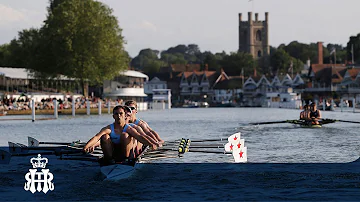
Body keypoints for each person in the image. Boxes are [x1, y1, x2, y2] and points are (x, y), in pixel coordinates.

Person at [83, 105, 157, 164]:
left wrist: (151, 144)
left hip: (125, 154)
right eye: (116, 114)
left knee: (125, 135)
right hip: (114, 153)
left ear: (125, 116)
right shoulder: (108, 128)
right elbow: (96, 137)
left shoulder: (129, 128)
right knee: (104, 137)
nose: (118, 116)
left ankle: (127, 159)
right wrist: (86, 147)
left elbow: (140, 137)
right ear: (113, 116)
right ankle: (109, 160)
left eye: (121, 114)